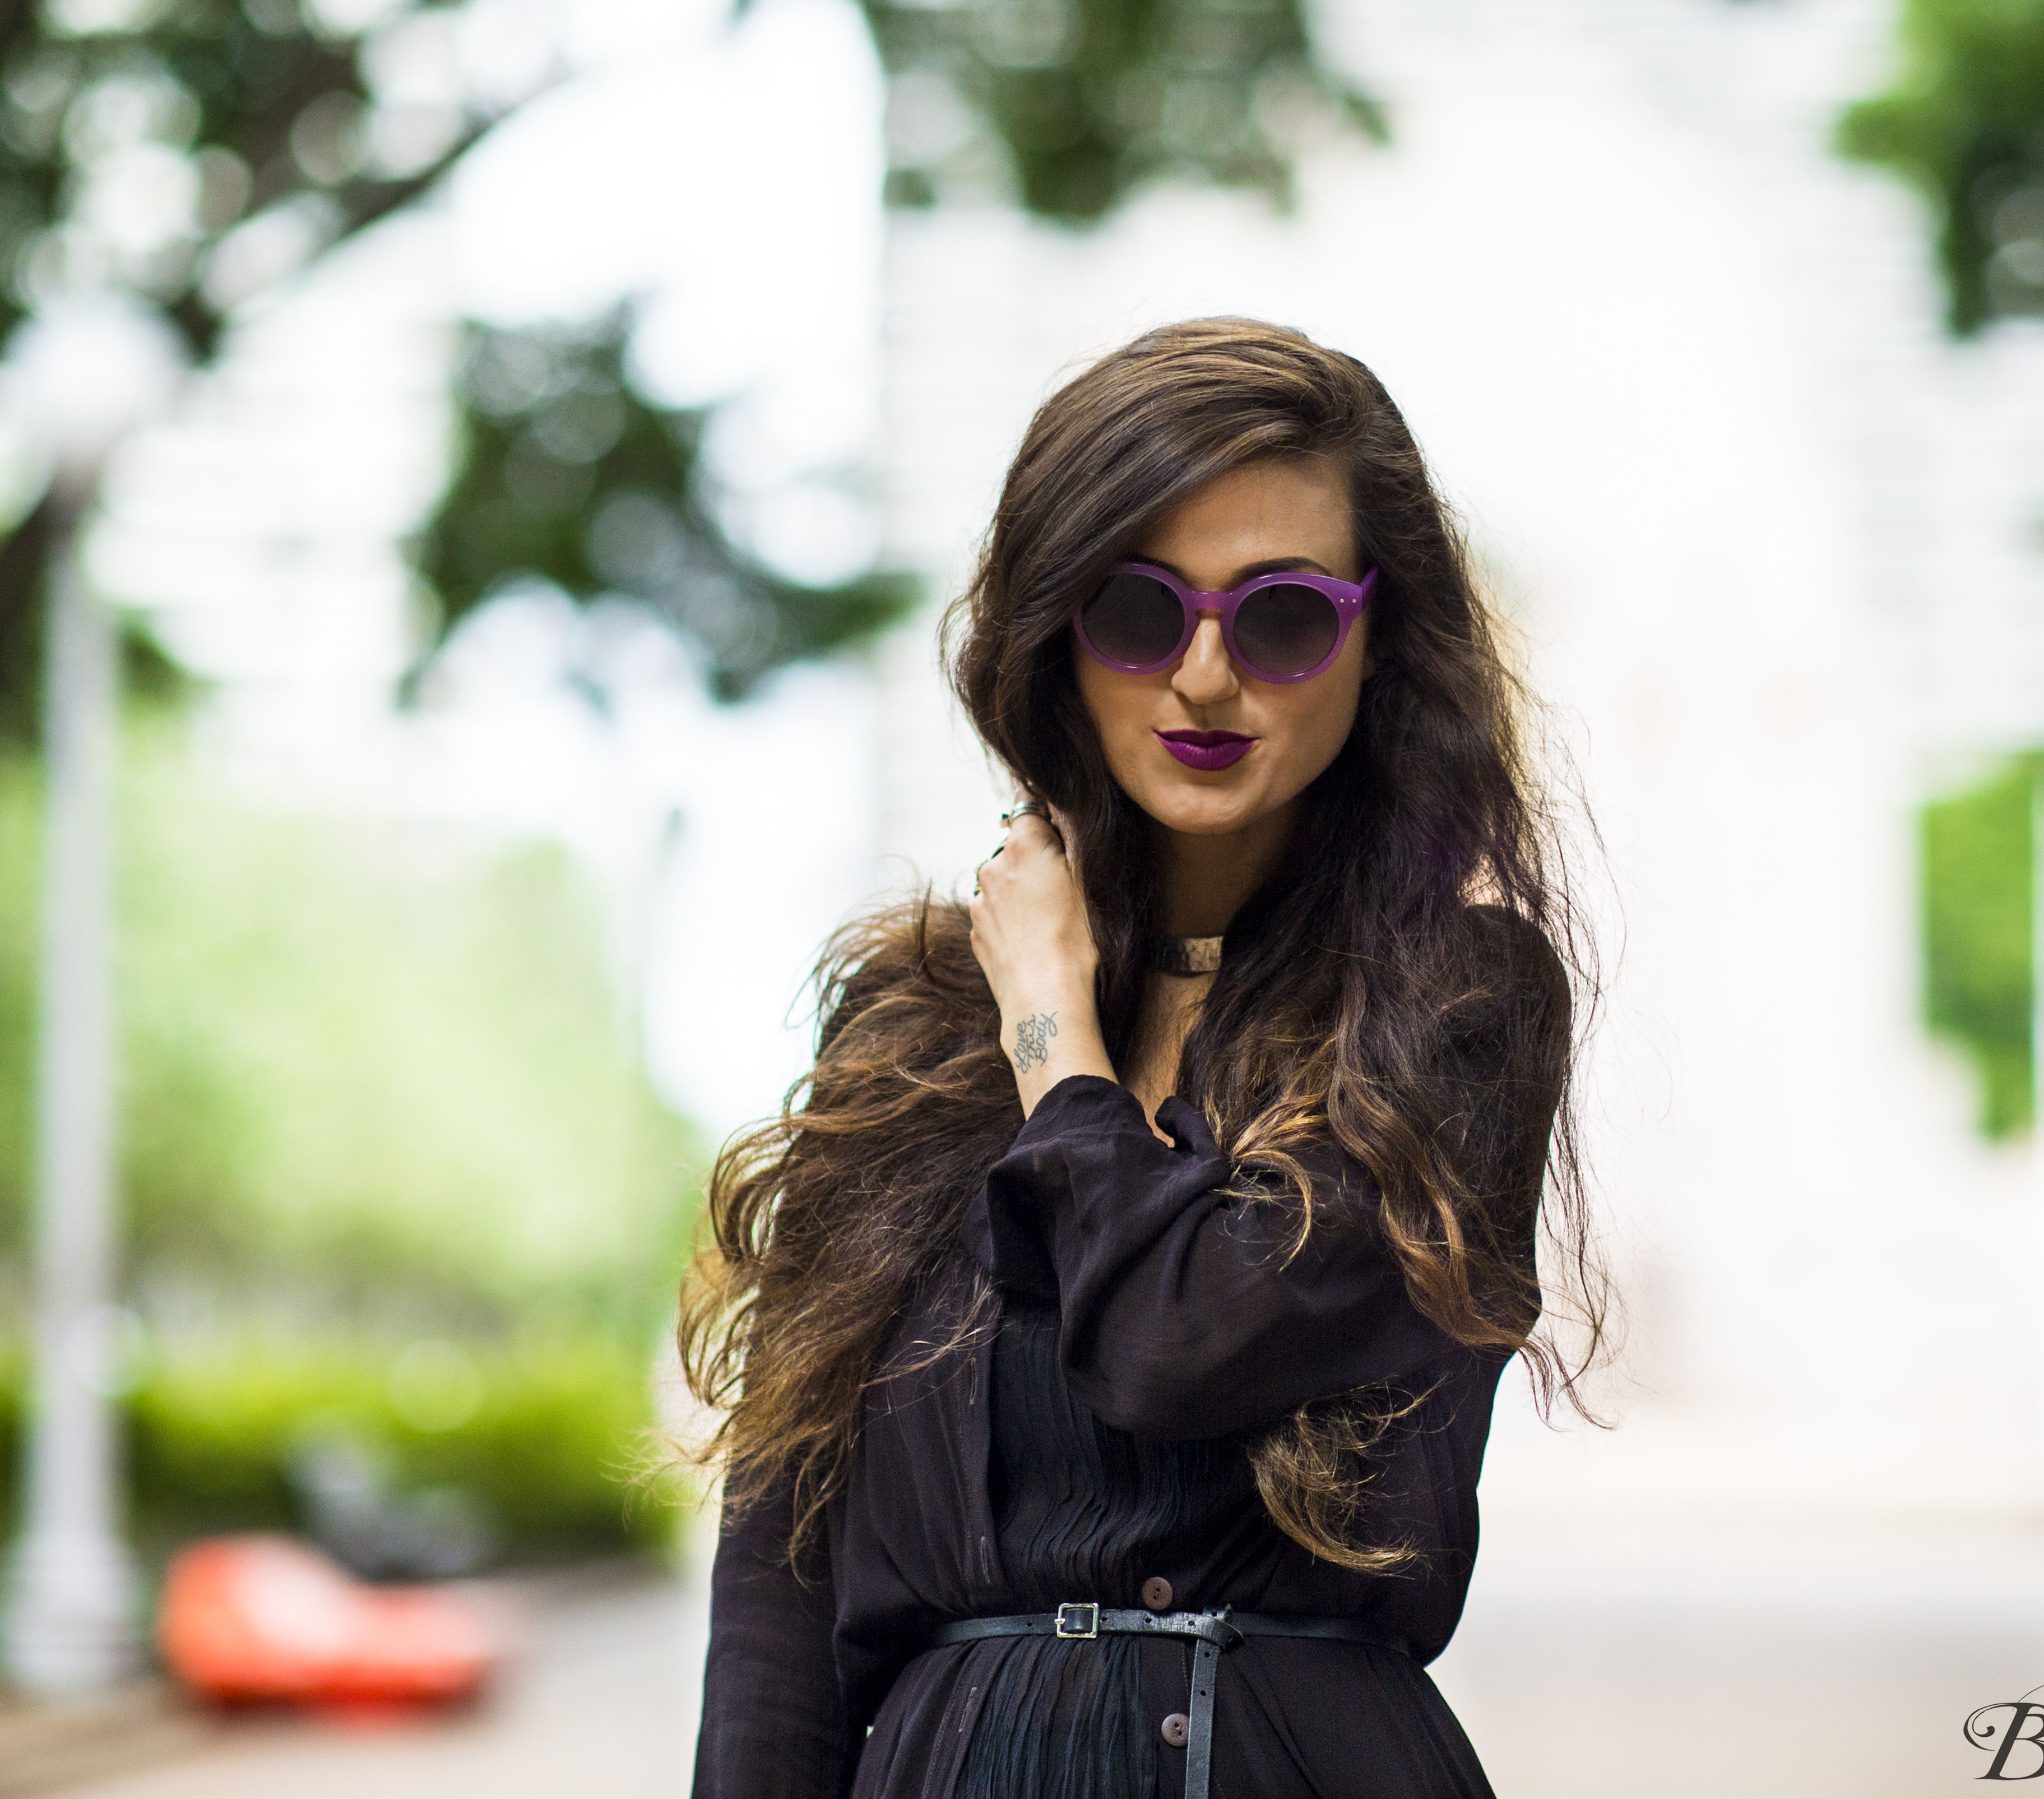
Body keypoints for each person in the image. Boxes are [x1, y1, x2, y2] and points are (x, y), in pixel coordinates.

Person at [679, 317, 1603, 1799]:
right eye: (1140, 611)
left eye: (1286, 616)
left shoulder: (1454, 1006)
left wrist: (1058, 1041)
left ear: (1375, 642)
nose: (1208, 673)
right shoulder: (911, 1026)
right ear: (1056, 637)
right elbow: (782, 1584)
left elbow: (1181, 1342)